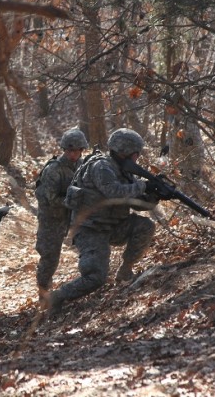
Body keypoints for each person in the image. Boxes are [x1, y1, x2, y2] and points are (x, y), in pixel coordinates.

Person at [48, 128, 158, 316]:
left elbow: (136, 204)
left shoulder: (124, 171)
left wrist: (154, 195)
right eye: (135, 154)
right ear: (125, 152)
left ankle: (125, 270)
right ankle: (57, 297)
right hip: (90, 230)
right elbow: (114, 191)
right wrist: (143, 185)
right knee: (95, 277)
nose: (136, 158)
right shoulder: (101, 167)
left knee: (145, 226)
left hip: (114, 225)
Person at [34, 129, 88, 303]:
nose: (74, 154)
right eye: (70, 150)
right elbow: (50, 198)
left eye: (77, 150)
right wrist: (73, 200)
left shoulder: (83, 165)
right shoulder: (54, 169)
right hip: (52, 218)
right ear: (64, 150)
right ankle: (43, 293)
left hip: (72, 216)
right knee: (50, 257)